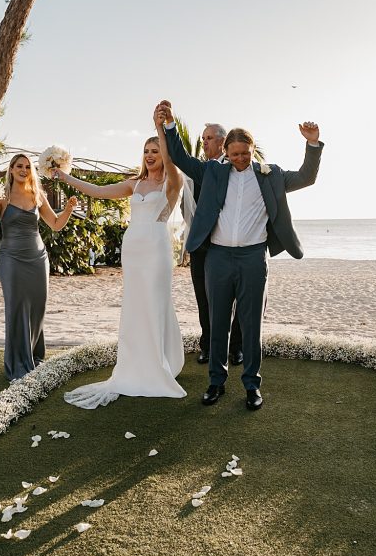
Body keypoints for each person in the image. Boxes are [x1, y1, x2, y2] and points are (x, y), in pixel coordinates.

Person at [160, 100, 323, 411]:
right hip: (218, 257)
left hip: (252, 258)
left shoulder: (270, 174)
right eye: (234, 155)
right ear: (226, 152)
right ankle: (215, 383)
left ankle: (251, 385)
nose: (239, 159)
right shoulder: (211, 171)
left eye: (244, 154)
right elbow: (180, 157)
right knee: (217, 321)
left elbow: (306, 176)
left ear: (252, 151)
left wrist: (312, 144)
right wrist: (169, 126)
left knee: (251, 325)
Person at [57, 115, 187, 408]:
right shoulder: (134, 184)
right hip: (133, 251)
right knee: (136, 306)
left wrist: (159, 131)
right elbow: (98, 191)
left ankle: (161, 364)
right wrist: (66, 177)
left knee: (156, 303)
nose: (150, 156)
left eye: (155, 151)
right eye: (146, 151)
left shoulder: (172, 182)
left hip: (156, 249)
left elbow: (173, 166)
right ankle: (136, 364)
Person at [0, 153, 78, 381]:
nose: (24, 170)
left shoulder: (38, 195)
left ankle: (34, 356)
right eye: (19, 166)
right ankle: (17, 361)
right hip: (11, 259)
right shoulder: (1, 197)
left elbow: (55, 224)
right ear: (11, 169)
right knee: (16, 307)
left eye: (27, 167)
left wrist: (69, 209)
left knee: (37, 307)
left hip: (37, 258)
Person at [184, 122, 244, 366]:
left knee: (236, 298)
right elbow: (187, 207)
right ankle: (207, 345)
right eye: (203, 138)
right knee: (203, 298)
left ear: (222, 141)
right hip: (200, 245)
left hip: (227, 244)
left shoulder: (234, 169)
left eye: (209, 138)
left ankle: (236, 347)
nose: (204, 142)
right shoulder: (196, 171)